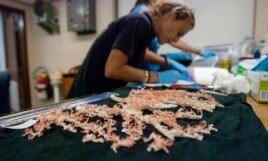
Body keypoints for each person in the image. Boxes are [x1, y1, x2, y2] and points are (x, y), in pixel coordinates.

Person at [67, 1, 195, 99]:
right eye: (179, 33)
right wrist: (156, 77)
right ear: (170, 16)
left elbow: (138, 52)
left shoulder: (146, 28)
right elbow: (112, 69)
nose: (177, 40)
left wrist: (167, 62)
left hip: (98, 93)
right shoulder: (139, 22)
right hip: (87, 96)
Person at [131, 0, 216, 71]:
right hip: (140, 70)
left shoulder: (156, 22)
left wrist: (198, 51)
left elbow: (172, 38)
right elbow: (138, 51)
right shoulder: (142, 17)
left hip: (149, 69)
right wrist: (167, 61)